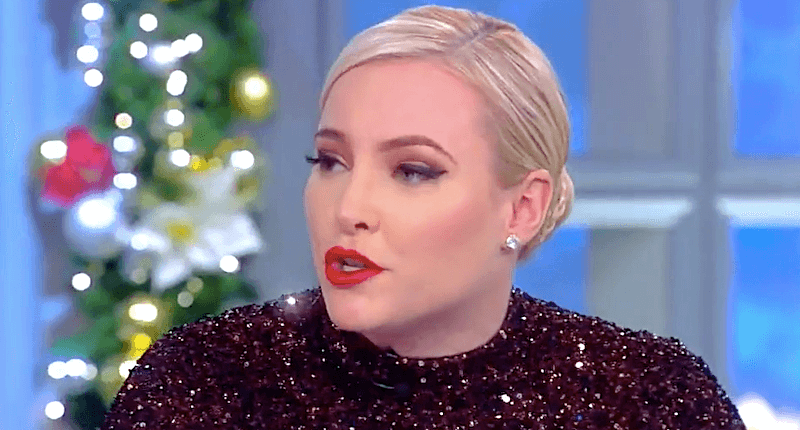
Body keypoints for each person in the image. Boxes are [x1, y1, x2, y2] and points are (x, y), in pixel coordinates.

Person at [102, 5, 745, 429]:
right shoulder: (200, 382)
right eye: (330, 161)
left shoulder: (648, 398)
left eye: (412, 171)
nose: (350, 209)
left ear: (522, 206)